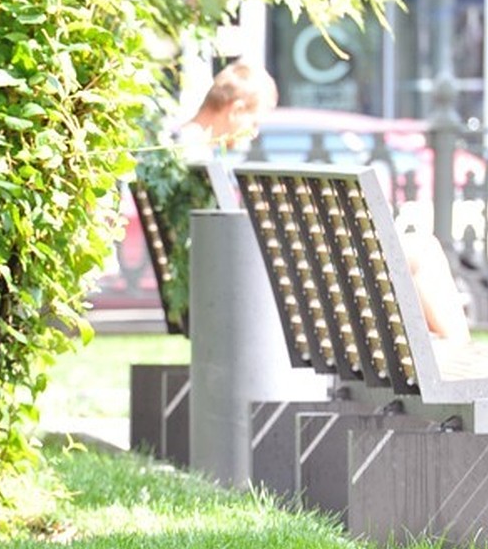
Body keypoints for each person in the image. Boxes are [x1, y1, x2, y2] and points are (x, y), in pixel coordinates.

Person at [180, 59, 471, 342]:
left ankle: (444, 352)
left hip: (255, 279)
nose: (253, 133)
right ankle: (462, 360)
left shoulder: (187, 145)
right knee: (422, 250)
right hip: (274, 285)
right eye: (254, 122)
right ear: (236, 109)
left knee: (417, 252)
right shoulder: (196, 150)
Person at [176, 60, 279, 160]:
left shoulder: (179, 141)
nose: (254, 134)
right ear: (237, 111)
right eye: (254, 124)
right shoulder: (194, 154)